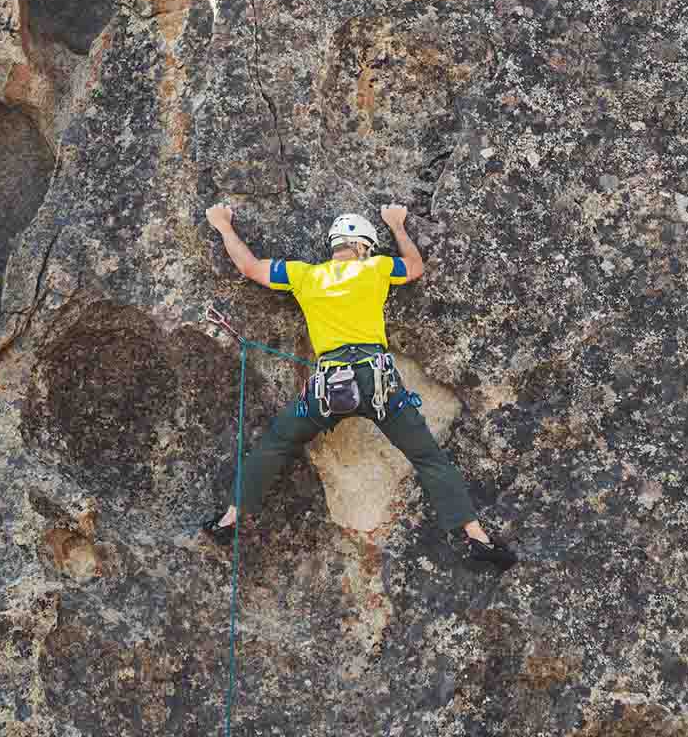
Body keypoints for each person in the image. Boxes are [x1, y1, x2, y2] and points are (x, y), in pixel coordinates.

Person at [200, 202, 517, 569]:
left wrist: (223, 226)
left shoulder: (305, 276)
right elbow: (414, 267)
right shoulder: (376, 268)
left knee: (276, 443)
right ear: (364, 246)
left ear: (334, 244)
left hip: (329, 386)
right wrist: (397, 226)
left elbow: (249, 267)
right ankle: (478, 538)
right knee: (427, 456)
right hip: (377, 381)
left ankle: (228, 521)